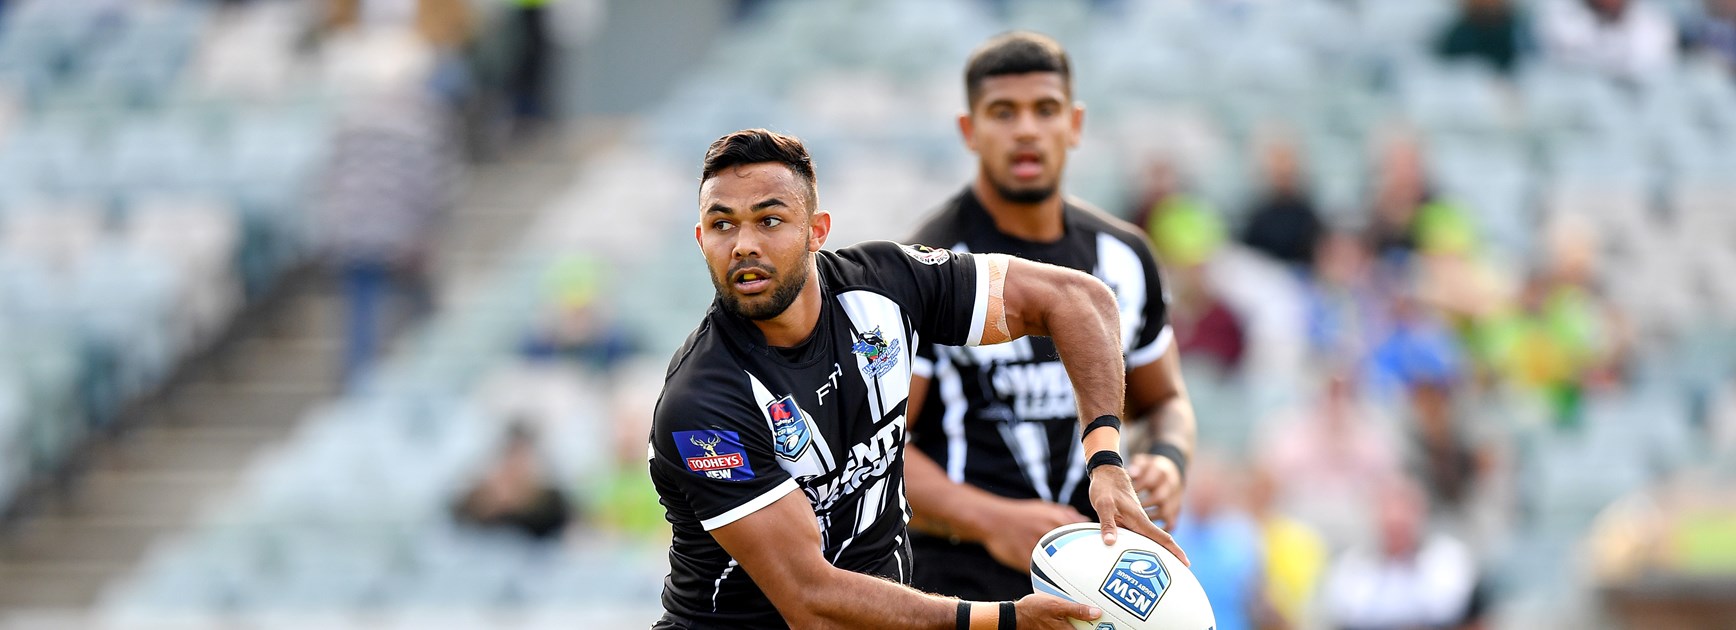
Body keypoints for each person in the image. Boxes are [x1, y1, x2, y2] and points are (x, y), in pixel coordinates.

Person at [648, 129, 1183, 629]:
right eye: (722, 225)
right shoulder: (702, 406)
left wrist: (1106, 462)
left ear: (816, 231)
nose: (743, 244)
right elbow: (812, 604)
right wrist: (1003, 619)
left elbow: (1079, 299)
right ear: (700, 239)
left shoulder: (885, 284)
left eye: (769, 220)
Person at [900, 32, 1199, 602]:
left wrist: (1168, 460)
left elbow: (1166, 401)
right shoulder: (929, 267)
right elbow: (880, 454)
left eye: (1045, 109)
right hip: (957, 584)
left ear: (1075, 123)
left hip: (1096, 577)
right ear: (969, 130)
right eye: (1003, 113)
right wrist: (992, 520)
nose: (1026, 130)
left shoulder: (1125, 255)